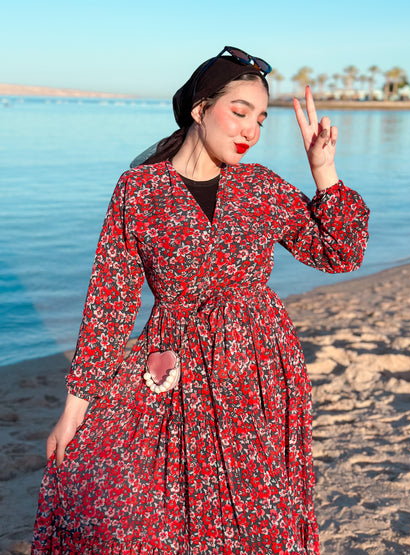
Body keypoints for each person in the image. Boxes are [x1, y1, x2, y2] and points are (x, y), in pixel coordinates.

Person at [32, 46, 369, 554]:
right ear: (198, 108)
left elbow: (340, 254)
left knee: (261, 506)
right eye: (239, 113)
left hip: (259, 367)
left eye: (260, 119)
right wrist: (74, 407)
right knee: (166, 508)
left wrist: (324, 171)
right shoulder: (139, 190)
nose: (250, 131)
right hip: (177, 368)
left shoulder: (262, 187)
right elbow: (109, 303)